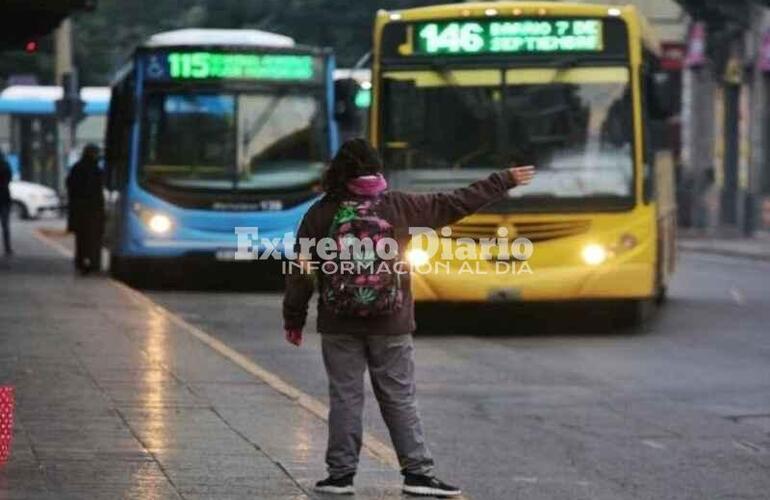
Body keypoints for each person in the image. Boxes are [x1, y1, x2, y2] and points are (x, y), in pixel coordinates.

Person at [283, 138, 535, 497]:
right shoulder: (401, 206)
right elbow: (456, 203)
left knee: (345, 397)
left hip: (339, 322)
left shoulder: (321, 212)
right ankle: (417, 473)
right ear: (377, 169)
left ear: (337, 171)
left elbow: (302, 272)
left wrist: (294, 318)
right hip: (392, 321)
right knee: (399, 396)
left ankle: (340, 476)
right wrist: (503, 180)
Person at [66, 144, 105, 274]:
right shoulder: (96, 170)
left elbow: (70, 186)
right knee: (93, 239)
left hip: (79, 210)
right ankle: (93, 263)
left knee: (81, 239)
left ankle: (81, 261)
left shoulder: (76, 168)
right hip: (93, 210)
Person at [0, 150, 13, 256]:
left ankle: (8, 248)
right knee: (5, 225)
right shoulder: (6, 165)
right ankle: (7, 248)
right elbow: (9, 178)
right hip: (4, 198)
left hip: (4, 197)